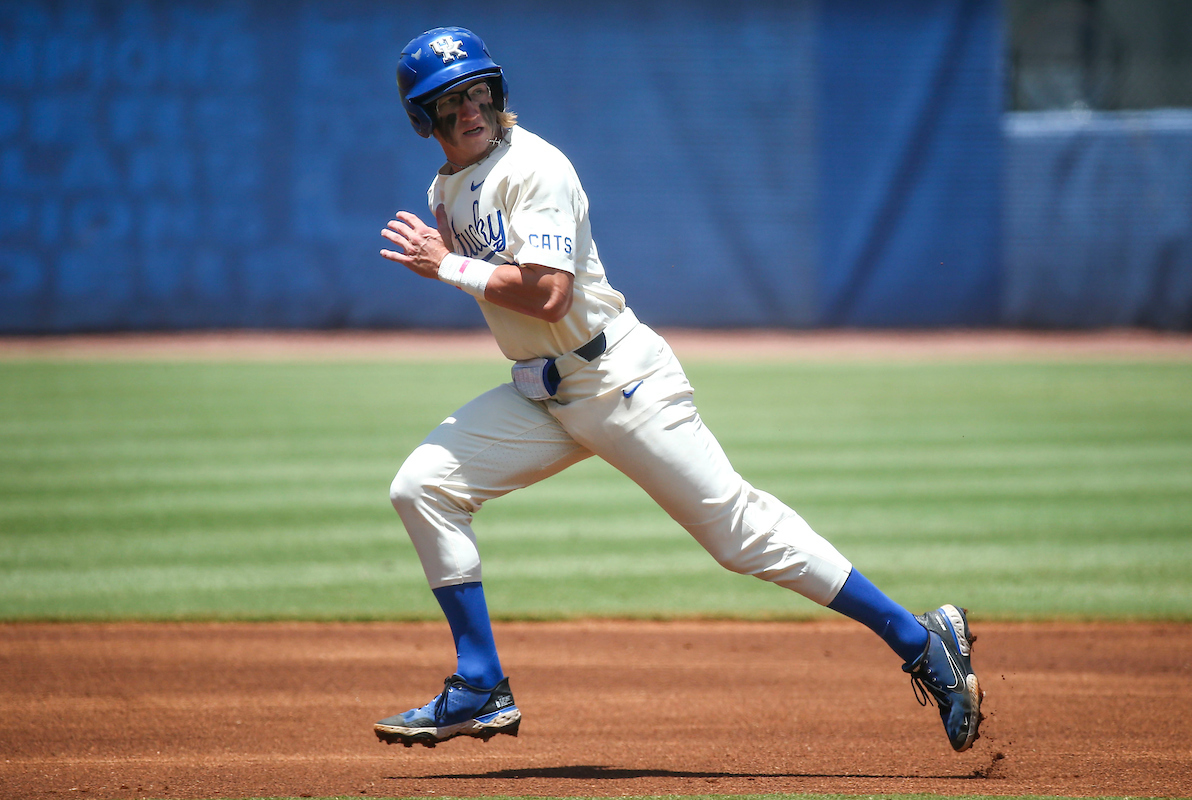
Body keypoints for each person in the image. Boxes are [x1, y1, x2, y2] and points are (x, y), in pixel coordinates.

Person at [374, 26, 984, 753]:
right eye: (449, 102)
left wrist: (447, 265)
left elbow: (549, 298)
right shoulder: (444, 188)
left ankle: (921, 642)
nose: (470, 109)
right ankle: (480, 683)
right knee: (422, 486)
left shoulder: (536, 167)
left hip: (619, 379)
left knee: (742, 537)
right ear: (424, 120)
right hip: (544, 394)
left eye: (479, 91)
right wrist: (451, 259)